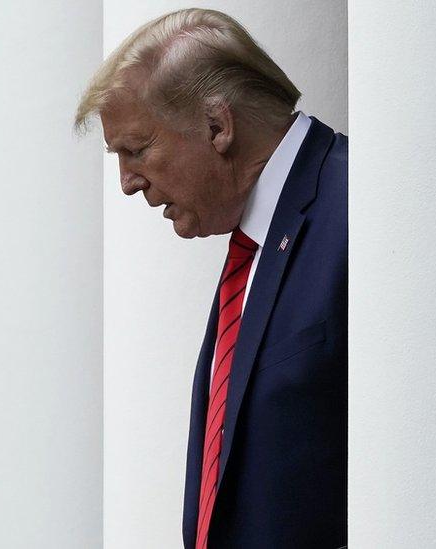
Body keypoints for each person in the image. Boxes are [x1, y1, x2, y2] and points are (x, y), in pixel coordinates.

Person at [74, 8, 346, 548]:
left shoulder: (359, 207)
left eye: (136, 149)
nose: (128, 183)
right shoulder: (256, 243)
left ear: (218, 126)